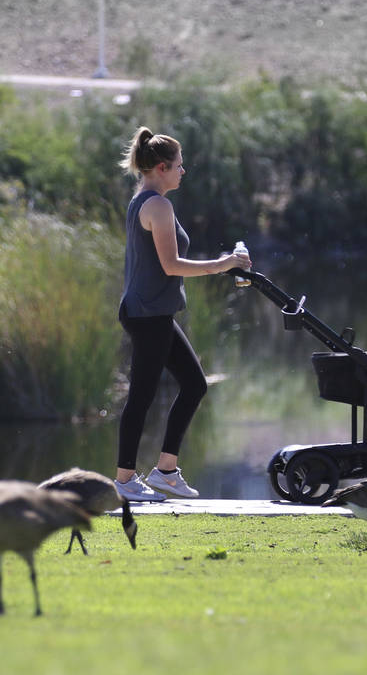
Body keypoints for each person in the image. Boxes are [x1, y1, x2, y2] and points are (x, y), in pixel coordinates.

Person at [113, 126, 251, 502]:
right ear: (160, 167)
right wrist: (222, 265)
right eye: (178, 165)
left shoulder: (144, 198)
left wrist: (223, 265)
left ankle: (166, 472)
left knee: (194, 384)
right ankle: (125, 481)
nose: (182, 171)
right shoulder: (157, 205)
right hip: (148, 314)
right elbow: (171, 265)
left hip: (152, 312)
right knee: (142, 396)